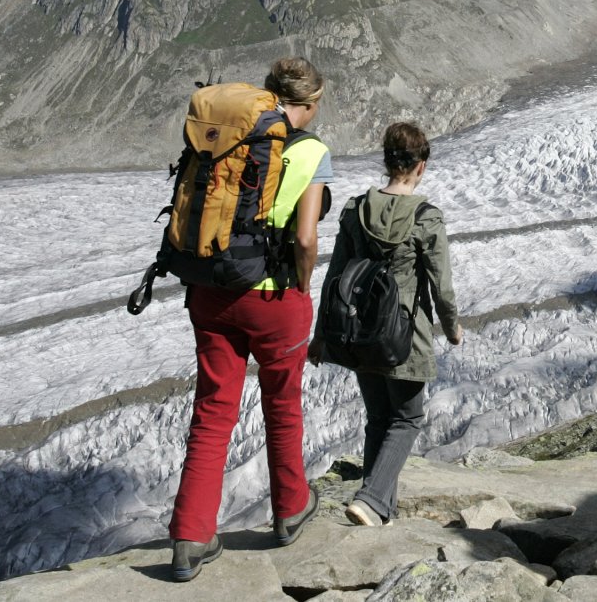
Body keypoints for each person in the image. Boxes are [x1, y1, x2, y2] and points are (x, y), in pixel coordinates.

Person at [168, 57, 332, 581]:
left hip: (212, 291)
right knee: (282, 405)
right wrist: (303, 284)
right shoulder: (310, 152)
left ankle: (191, 536)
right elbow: (305, 238)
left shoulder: (230, 138)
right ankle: (289, 510)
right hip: (274, 301)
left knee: (213, 411)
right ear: (310, 103)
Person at [311, 120, 462, 527]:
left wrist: (321, 335)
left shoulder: (355, 209)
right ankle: (374, 497)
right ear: (421, 166)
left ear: (386, 161)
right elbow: (440, 281)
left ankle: (382, 512)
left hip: (360, 333)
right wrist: (451, 326)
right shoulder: (426, 217)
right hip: (405, 335)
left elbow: (335, 276)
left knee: (379, 418)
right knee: (408, 417)